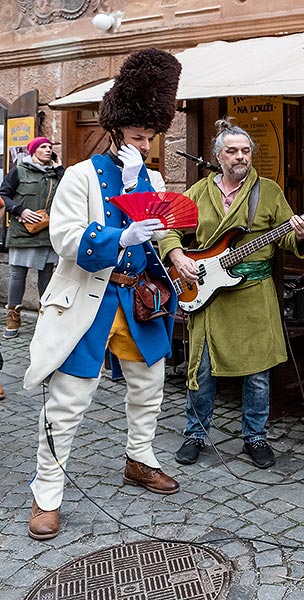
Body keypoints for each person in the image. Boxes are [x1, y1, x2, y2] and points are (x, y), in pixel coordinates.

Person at [23, 48, 183, 540]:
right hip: (90, 302)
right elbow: (65, 239)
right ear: (116, 131)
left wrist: (172, 254)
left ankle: (140, 459)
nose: (147, 143)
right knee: (69, 401)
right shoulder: (79, 175)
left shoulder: (153, 177)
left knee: (149, 389)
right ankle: (46, 492)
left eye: (151, 135)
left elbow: (159, 235)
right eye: (138, 135)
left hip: (138, 301)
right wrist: (119, 237)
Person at [161, 118, 304, 469]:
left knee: (257, 374)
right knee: (200, 370)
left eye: (245, 151)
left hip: (253, 293)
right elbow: (170, 228)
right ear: (218, 155)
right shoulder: (198, 192)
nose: (240, 157)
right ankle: (195, 434)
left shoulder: (269, 191)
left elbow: (287, 238)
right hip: (206, 292)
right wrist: (177, 255)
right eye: (232, 151)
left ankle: (255, 437)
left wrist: (301, 234)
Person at [0, 136, 64, 339]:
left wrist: (60, 169)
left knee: (46, 277)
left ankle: (46, 318)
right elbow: (3, 196)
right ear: (33, 151)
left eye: (50, 147)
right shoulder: (19, 171)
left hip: (47, 233)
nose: (47, 149)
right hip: (23, 231)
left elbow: (68, 193)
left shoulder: (56, 174)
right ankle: (13, 317)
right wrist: (20, 210)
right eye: (43, 147)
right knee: (18, 275)